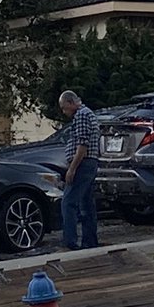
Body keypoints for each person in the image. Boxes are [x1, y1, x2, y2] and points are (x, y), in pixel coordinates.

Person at [58, 90, 100, 250]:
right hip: (90, 163)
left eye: (64, 108)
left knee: (68, 202)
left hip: (83, 163)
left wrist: (72, 168)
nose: (64, 112)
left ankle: (70, 241)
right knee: (87, 203)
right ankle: (90, 241)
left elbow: (82, 145)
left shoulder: (81, 115)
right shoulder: (88, 113)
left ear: (71, 103)